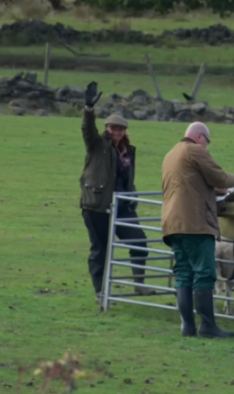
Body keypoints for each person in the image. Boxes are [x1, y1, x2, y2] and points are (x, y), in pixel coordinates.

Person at [161, 121, 234, 338]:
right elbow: (219, 177)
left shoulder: (171, 154)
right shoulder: (195, 150)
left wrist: (213, 191)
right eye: (206, 142)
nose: (206, 146)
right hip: (194, 223)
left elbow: (191, 184)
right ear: (200, 137)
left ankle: (187, 326)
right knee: (205, 272)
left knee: (183, 272)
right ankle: (207, 325)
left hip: (173, 223)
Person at [79, 81, 156, 304]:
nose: (117, 132)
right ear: (106, 128)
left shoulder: (127, 151)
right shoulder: (96, 144)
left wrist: (132, 196)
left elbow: (126, 178)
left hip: (122, 206)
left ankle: (139, 284)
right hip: (97, 206)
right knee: (100, 251)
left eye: (120, 129)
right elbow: (87, 129)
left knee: (139, 242)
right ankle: (99, 292)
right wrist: (88, 109)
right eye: (113, 128)